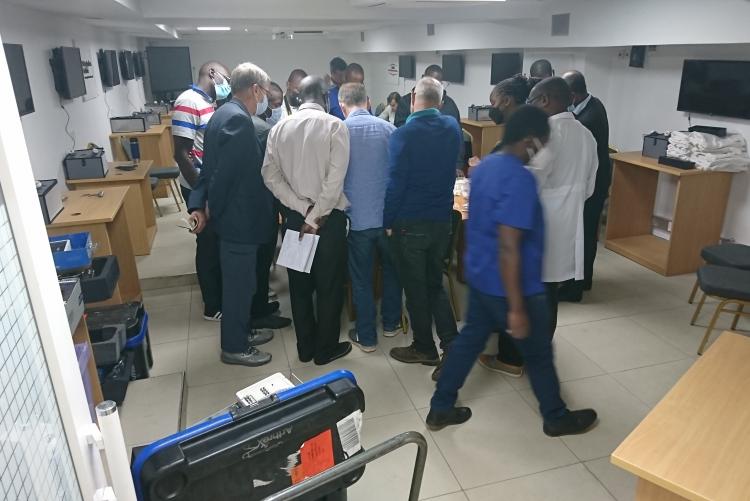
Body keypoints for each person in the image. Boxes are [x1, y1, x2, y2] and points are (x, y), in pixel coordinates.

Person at [427, 105, 598, 437]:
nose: (543, 151)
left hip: (482, 278)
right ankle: (555, 416)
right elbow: (509, 245)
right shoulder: (519, 179)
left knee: (467, 344)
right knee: (539, 353)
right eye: (543, 144)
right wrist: (517, 308)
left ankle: (440, 406)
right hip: (514, 286)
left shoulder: (485, 167)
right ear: (530, 141)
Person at [188, 62, 276, 367]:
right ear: (255, 89)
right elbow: (223, 177)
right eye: (264, 92)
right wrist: (212, 209)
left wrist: (199, 203)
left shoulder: (222, 113)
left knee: (243, 283)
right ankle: (235, 347)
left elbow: (207, 169)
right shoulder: (238, 121)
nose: (264, 99)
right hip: (239, 221)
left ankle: (243, 332)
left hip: (234, 219)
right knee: (239, 287)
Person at [262, 75, 352, 366]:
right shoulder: (335, 126)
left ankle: (305, 348)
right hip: (328, 222)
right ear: (325, 98)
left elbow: (270, 177)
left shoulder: (278, 129)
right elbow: (335, 181)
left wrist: (302, 209)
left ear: (298, 98)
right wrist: (315, 217)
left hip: (294, 221)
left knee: (299, 288)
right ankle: (325, 349)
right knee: (329, 287)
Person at [385, 76, 460, 378]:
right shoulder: (452, 127)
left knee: (415, 289)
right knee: (434, 283)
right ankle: (452, 345)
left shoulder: (403, 135)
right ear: (441, 101)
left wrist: (387, 221)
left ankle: (424, 347)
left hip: (410, 222)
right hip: (441, 220)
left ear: (413, 96)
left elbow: (395, 185)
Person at [338, 83, 402, 352]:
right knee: (392, 273)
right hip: (388, 219)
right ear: (368, 101)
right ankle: (391, 324)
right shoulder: (390, 130)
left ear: (342, 105)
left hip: (357, 220)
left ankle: (366, 336)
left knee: (361, 279)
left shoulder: (339, 131)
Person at [172, 61, 229, 322]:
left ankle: (221, 295)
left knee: (215, 243)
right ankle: (212, 305)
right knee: (207, 244)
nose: (227, 84)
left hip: (210, 186)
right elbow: (181, 154)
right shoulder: (188, 101)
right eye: (226, 78)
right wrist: (200, 196)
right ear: (212, 74)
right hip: (198, 187)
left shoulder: (208, 102)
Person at [558, 70, 612, 301]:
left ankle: (576, 288)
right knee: (584, 234)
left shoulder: (588, 119)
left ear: (572, 95)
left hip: (593, 184)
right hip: (590, 179)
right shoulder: (590, 104)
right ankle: (583, 279)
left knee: (584, 235)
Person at [249, 95, 293, 331]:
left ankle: (261, 307)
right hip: (265, 204)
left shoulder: (251, 124)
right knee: (262, 260)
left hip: (255, 205)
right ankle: (259, 312)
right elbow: (277, 172)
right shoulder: (263, 130)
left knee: (260, 262)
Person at [467, 74, 532, 175]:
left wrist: (479, 169)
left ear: (506, 101)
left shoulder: (521, 138)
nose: (492, 108)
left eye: (493, 103)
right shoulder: (523, 129)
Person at [394, 65, 460, 127]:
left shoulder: (450, 105)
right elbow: (399, 127)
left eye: (435, 84)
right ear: (422, 77)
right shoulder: (405, 102)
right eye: (428, 82)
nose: (431, 87)